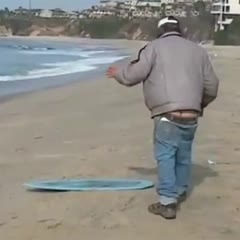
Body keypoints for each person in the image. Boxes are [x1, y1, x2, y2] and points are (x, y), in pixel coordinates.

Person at [106, 16, 219, 220]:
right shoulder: (198, 51)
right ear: (179, 30)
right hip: (192, 113)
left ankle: (167, 202)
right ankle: (180, 190)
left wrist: (117, 73)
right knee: (183, 155)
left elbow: (133, 75)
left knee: (166, 155)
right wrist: (199, 104)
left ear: (160, 30)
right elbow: (212, 85)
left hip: (167, 113)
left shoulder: (154, 47)